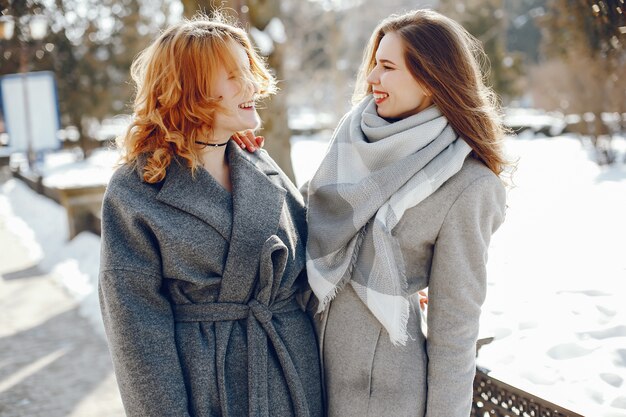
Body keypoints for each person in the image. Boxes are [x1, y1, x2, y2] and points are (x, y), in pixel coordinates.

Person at [98, 15, 323, 417]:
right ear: (189, 88)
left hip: (296, 381)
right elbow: (137, 337)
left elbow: (315, 264)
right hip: (211, 391)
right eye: (234, 76)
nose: (252, 85)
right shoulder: (135, 191)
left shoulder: (259, 165)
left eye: (249, 72)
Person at [304, 9, 509, 417]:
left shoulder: (469, 186)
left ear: (431, 79)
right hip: (306, 376)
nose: (372, 78)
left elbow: (455, 331)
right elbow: (301, 224)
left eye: (387, 66)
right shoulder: (351, 143)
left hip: (382, 397)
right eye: (374, 64)